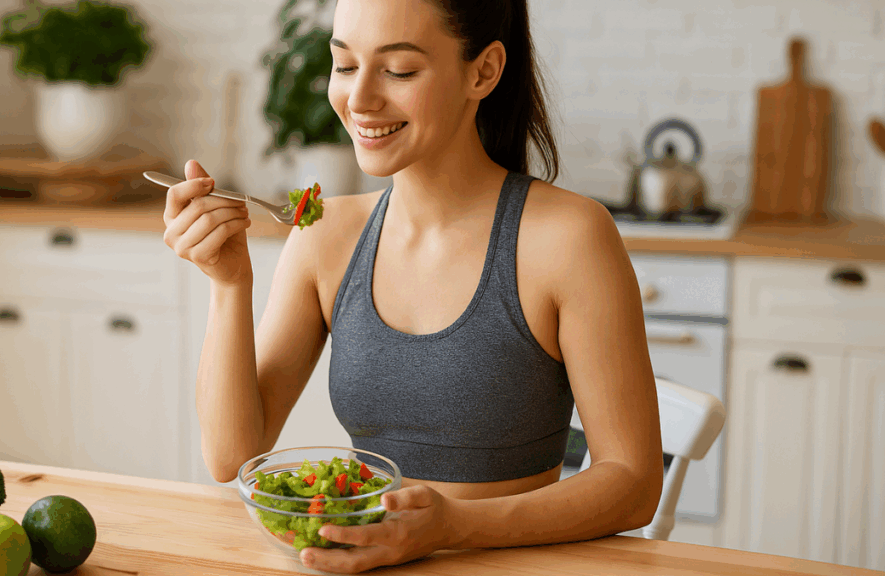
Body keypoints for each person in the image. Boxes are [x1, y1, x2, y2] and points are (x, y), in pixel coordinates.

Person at [162, 0, 664, 572]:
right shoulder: (325, 235)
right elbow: (232, 457)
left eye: (398, 70)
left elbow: (633, 482)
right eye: (345, 65)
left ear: (484, 71)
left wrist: (452, 526)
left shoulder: (568, 238)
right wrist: (228, 284)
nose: (359, 100)